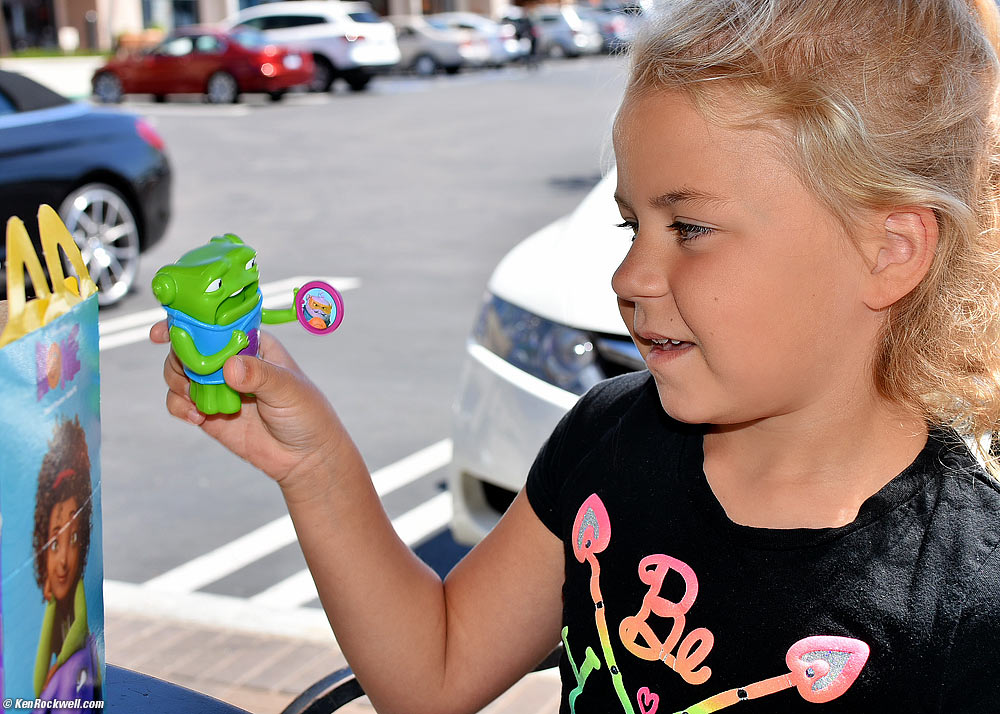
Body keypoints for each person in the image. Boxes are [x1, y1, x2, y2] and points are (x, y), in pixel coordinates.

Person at [152, 0, 1000, 711]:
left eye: (690, 228)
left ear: (889, 249)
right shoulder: (610, 440)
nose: (629, 274)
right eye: (633, 225)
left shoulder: (966, 600)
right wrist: (317, 468)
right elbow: (433, 673)